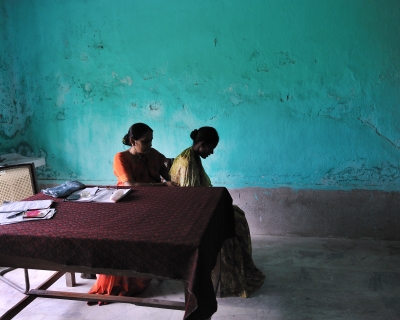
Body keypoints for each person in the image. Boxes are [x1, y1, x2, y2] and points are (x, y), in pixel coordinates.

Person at [169, 126, 265, 298]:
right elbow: (189, 199)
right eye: (211, 148)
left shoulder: (193, 156)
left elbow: (198, 191)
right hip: (188, 215)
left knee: (238, 215)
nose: (211, 153)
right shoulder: (187, 162)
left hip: (197, 207)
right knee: (231, 224)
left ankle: (240, 268)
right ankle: (231, 278)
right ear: (202, 144)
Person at [88, 123, 177, 305]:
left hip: (153, 203)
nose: (150, 144)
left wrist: (170, 175)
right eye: (145, 141)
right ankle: (123, 280)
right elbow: (131, 185)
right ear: (132, 141)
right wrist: (162, 185)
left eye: (151, 140)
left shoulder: (153, 155)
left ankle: (149, 270)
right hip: (128, 202)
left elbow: (165, 171)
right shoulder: (121, 157)